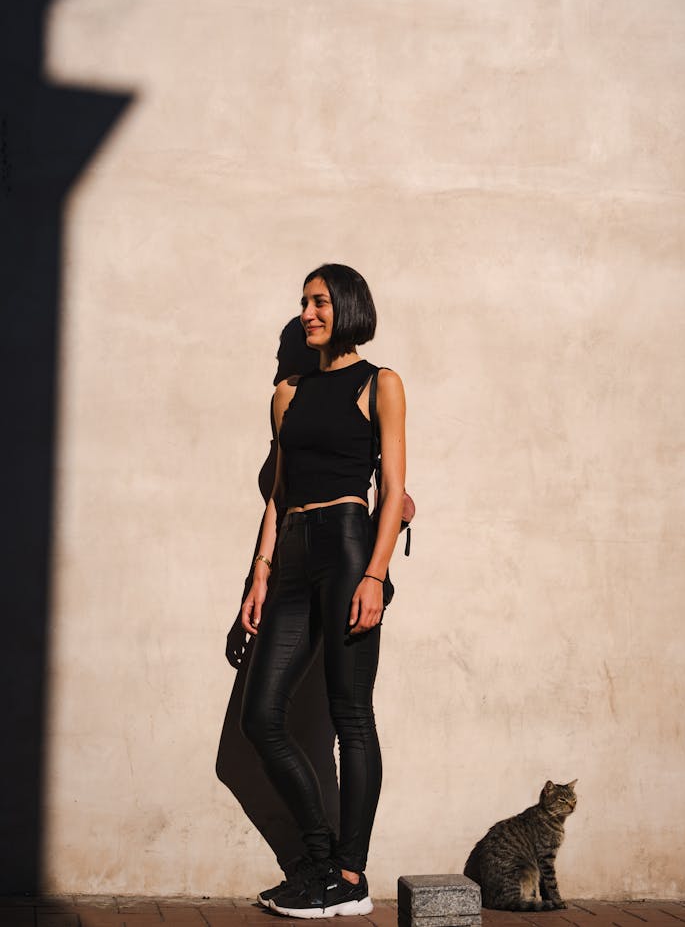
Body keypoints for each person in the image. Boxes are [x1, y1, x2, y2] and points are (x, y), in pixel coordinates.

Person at [239, 263, 407, 919]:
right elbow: (279, 494)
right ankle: (316, 862)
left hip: (346, 548)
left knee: (350, 714)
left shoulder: (380, 383)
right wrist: (258, 572)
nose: (308, 312)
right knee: (262, 715)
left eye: (319, 301)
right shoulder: (287, 393)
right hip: (293, 555)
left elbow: (393, 489)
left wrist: (374, 573)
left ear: (347, 306)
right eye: (303, 302)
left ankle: (350, 874)